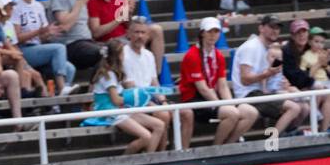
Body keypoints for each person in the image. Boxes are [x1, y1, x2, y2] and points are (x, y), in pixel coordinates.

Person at [177, 16, 257, 149]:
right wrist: (221, 105)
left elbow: (223, 85)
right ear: (202, 33)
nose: (213, 35)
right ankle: (216, 148)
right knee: (232, 113)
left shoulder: (218, 55)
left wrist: (231, 103)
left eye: (216, 32)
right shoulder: (192, 55)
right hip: (194, 100)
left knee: (250, 113)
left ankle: (229, 146)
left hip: (211, 99)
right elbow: (202, 89)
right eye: (209, 31)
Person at [83, 39, 165, 154]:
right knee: (146, 136)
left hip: (121, 110)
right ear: (117, 56)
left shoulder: (115, 72)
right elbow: (116, 100)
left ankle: (149, 159)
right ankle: (124, 162)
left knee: (159, 125)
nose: (124, 56)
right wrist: (137, 98)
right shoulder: (108, 75)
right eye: (122, 53)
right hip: (110, 112)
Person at [232, 15, 308, 138]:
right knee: (294, 108)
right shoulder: (251, 47)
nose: (275, 30)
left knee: (302, 106)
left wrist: (281, 83)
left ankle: (282, 136)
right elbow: (245, 79)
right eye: (272, 27)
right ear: (261, 28)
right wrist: (268, 74)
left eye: (278, 28)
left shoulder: (264, 48)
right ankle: (272, 140)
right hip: (249, 94)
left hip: (259, 92)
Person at [11, 0, 74, 94]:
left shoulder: (38, 6)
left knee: (70, 68)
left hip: (38, 48)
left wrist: (49, 33)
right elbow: (16, 38)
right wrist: (38, 32)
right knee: (58, 48)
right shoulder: (15, 6)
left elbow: (42, 36)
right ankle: (62, 87)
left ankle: (58, 102)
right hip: (23, 50)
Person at [86, 0, 166, 64]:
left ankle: (156, 74)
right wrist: (119, 18)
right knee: (134, 45)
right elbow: (96, 33)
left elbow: (128, 24)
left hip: (125, 35)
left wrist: (128, 13)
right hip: (107, 42)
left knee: (156, 29)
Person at [46, 0, 103, 71]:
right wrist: (80, 2)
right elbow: (65, 26)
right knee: (102, 52)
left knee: (117, 49)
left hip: (87, 42)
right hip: (68, 44)